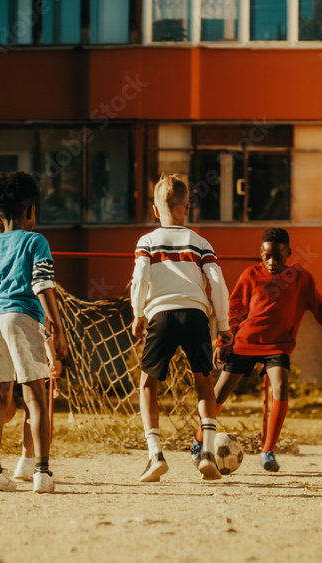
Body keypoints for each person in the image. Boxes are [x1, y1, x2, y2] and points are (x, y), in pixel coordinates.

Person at [195, 227, 322, 472]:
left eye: (277, 256)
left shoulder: (300, 278)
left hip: (277, 346)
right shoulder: (250, 275)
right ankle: (199, 440)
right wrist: (224, 343)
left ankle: (268, 451)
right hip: (244, 344)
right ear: (260, 253)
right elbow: (233, 313)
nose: (272, 261)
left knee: (281, 385)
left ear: (288, 252)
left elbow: (321, 307)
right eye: (266, 256)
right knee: (218, 395)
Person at [0, 171, 68, 493]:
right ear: (31, 211)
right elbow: (42, 284)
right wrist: (57, 328)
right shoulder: (36, 241)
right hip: (23, 318)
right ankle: (42, 473)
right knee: (35, 396)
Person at [130, 174, 232, 482]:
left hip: (161, 316)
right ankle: (209, 455)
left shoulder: (147, 241)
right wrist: (223, 323)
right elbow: (217, 282)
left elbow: (140, 277)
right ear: (187, 207)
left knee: (148, 384)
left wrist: (137, 313)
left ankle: (155, 455)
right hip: (196, 317)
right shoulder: (200, 242)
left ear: (155, 210)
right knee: (204, 383)